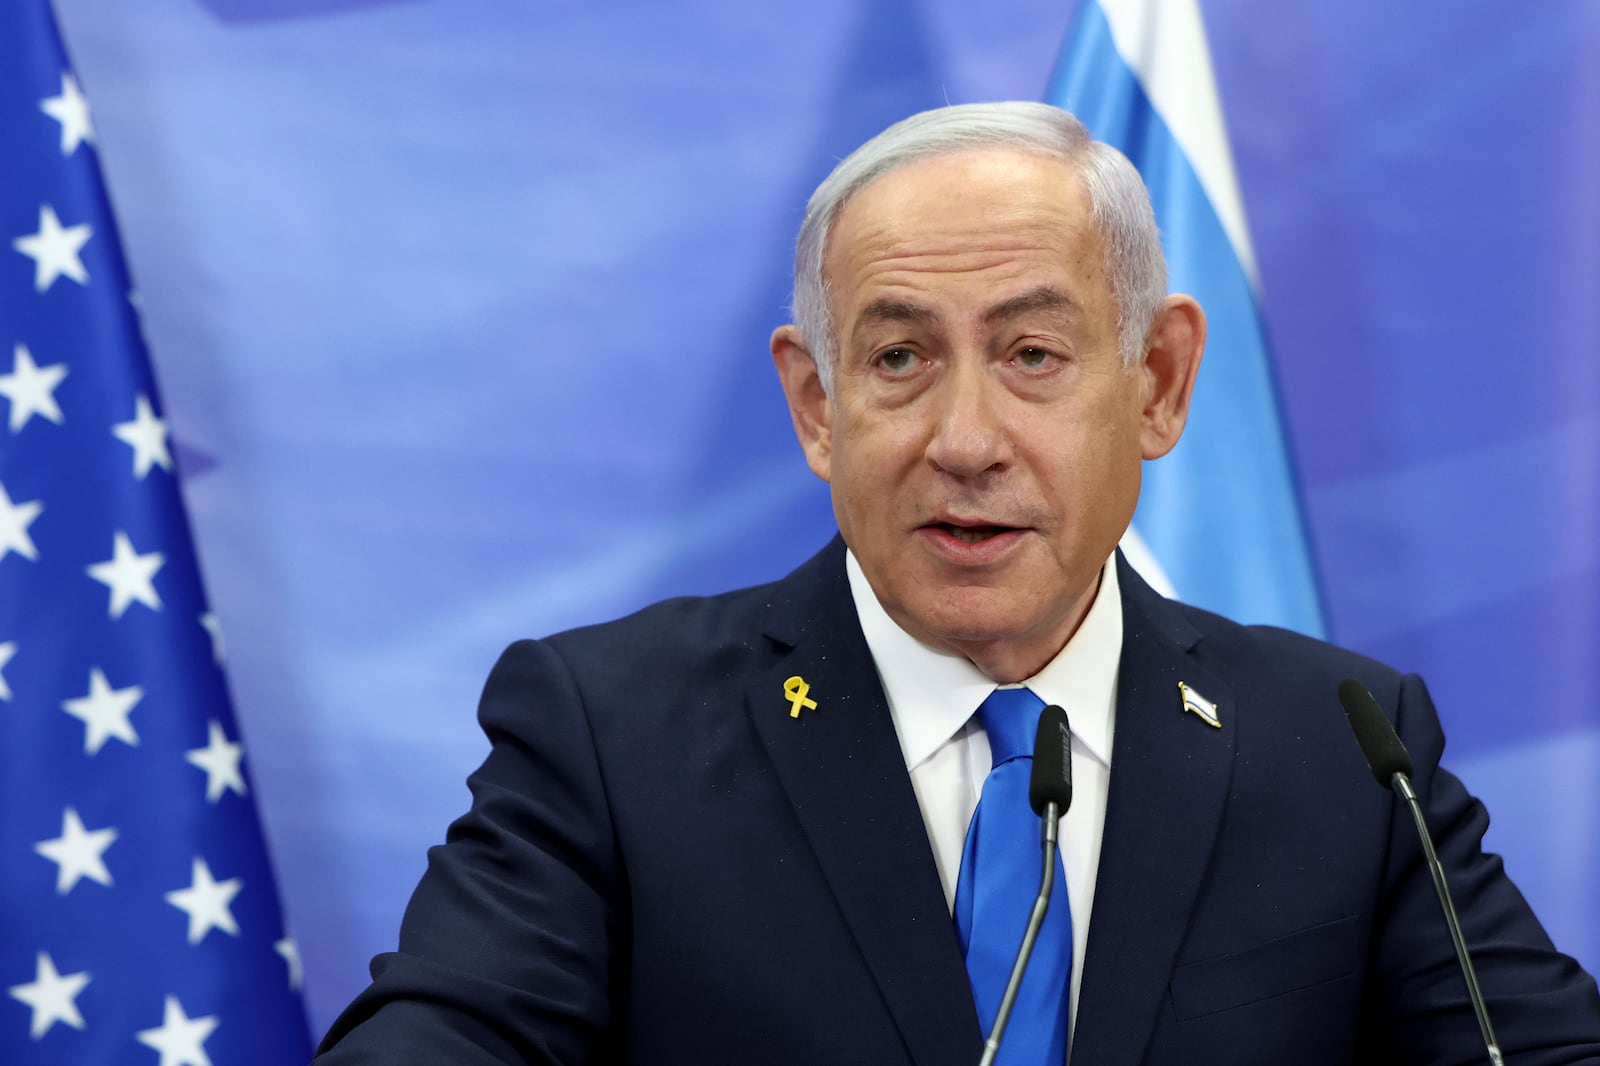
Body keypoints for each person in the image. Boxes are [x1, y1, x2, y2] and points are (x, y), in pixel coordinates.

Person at [314, 102, 1600, 1064]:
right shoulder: (610, 733)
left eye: (1034, 352)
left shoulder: (1343, 746)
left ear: (1156, 383)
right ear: (817, 407)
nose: (966, 438)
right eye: (897, 360)